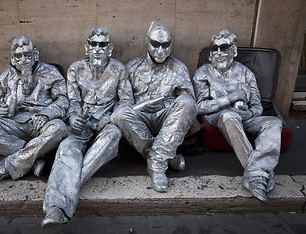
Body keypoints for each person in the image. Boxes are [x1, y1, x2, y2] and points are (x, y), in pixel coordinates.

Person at [41, 26, 133, 227]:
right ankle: (55, 210)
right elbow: (72, 101)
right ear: (87, 47)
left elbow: (126, 102)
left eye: (103, 44)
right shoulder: (75, 69)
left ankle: (60, 200)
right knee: (66, 148)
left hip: (107, 123)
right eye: (94, 44)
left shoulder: (119, 69)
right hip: (82, 124)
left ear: (110, 49)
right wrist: (73, 117)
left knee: (112, 136)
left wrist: (110, 117)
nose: (98, 48)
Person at [192, 29, 282, 202]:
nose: (218, 53)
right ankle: (258, 176)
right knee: (228, 116)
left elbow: (257, 105)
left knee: (274, 123)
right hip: (218, 116)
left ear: (233, 50)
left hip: (245, 117)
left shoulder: (246, 73)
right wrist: (229, 98)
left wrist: (250, 112)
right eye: (214, 48)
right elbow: (199, 107)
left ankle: (256, 173)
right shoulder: (203, 73)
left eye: (223, 48)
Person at [111, 21, 197, 193]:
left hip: (166, 118)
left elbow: (190, 103)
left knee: (187, 103)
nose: (160, 50)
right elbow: (125, 101)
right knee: (119, 114)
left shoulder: (178, 67)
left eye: (165, 45)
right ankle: (165, 158)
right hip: (140, 118)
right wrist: (140, 108)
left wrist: (165, 104)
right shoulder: (132, 67)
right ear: (147, 42)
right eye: (156, 44)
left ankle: (157, 166)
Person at [0, 35, 68, 184]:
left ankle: (8, 166)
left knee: (60, 128)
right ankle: (33, 157)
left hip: (40, 123)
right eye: (19, 56)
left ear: (35, 54)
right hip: (14, 122)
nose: (24, 59)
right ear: (12, 57)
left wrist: (45, 114)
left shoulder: (51, 72)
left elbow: (63, 100)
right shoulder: (5, 77)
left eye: (28, 55)